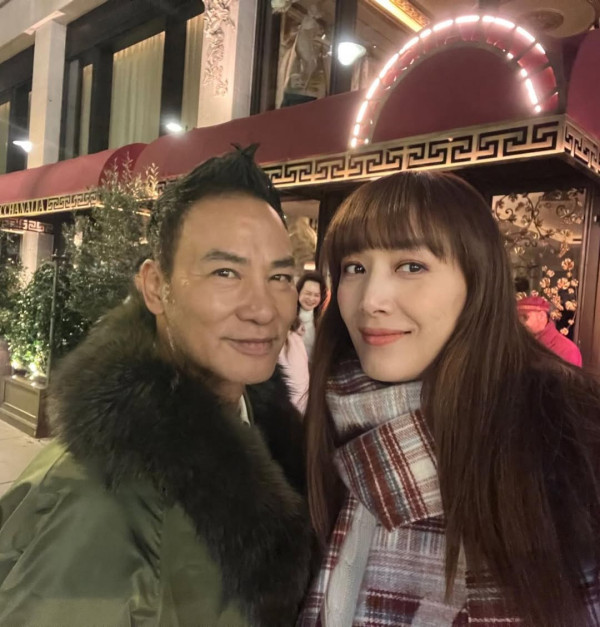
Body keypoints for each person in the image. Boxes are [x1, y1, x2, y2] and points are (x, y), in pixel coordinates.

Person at [0, 146, 314, 626]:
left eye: (280, 276)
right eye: (225, 272)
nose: (263, 308)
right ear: (154, 286)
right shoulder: (94, 498)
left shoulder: (267, 433)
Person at [300, 171, 600, 626]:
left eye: (411, 266)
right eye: (355, 268)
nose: (370, 300)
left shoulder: (571, 443)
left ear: (477, 281)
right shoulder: (329, 429)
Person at [517, 294, 583, 366]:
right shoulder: (520, 344)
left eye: (524, 318)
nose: (519, 323)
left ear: (541, 316)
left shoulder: (567, 350)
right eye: (517, 319)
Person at [296, 270, 327, 360]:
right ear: (298, 292)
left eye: (316, 295)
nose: (311, 298)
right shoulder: (287, 319)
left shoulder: (323, 322)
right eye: (308, 293)